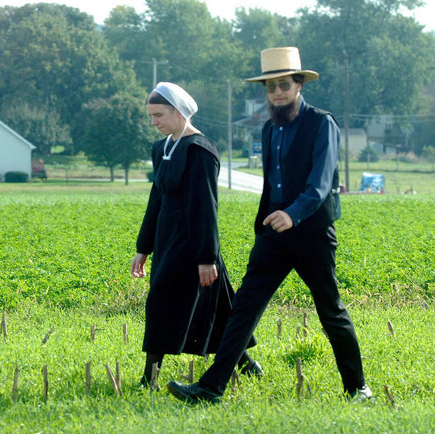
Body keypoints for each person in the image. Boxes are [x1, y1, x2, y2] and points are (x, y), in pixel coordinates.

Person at [167, 47, 372, 403]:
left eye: (283, 85)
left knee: (330, 311)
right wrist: (266, 227)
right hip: (273, 235)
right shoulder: (268, 128)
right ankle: (211, 388)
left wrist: (293, 213)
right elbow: (271, 182)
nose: (277, 93)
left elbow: (321, 183)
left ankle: (359, 389)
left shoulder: (322, 123)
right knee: (243, 308)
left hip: (312, 235)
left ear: (298, 86)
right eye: (271, 87)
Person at [131, 82, 261, 389]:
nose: (154, 122)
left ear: (178, 113)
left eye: (159, 115)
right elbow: (156, 200)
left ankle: (148, 379)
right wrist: (143, 247)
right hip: (167, 242)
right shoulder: (161, 149)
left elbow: (205, 208)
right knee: (214, 309)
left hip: (193, 245)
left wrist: (206, 257)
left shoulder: (200, 150)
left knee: (166, 304)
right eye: (151, 116)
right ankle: (247, 365)